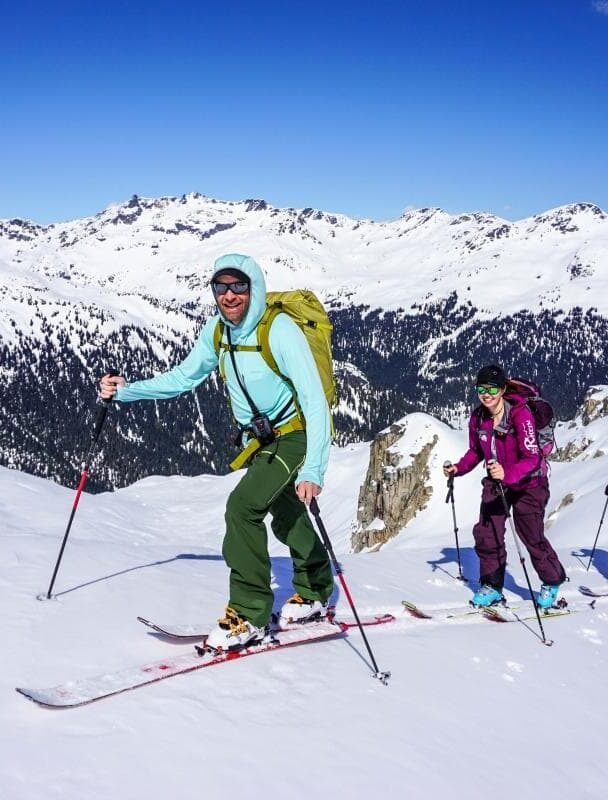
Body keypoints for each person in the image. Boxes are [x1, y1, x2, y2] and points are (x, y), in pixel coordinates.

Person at [99, 253, 334, 651]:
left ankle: (249, 613)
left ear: (253, 288)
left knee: (242, 508)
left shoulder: (279, 330)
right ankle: (313, 591)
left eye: (238, 286)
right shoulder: (218, 332)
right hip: (260, 441)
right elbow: (183, 377)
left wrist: (313, 467)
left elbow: (314, 400)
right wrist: (127, 391)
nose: (229, 295)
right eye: (221, 287)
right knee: (287, 510)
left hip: (295, 434)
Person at [443, 364, 566, 609]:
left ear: (502, 389)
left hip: (530, 483)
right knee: (487, 533)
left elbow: (532, 457)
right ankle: (492, 587)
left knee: (531, 535)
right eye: (481, 388)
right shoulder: (478, 417)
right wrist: (458, 468)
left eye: (492, 389)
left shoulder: (521, 414)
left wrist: (507, 473)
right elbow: (476, 451)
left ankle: (551, 581)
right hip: (496, 481)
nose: (486, 394)